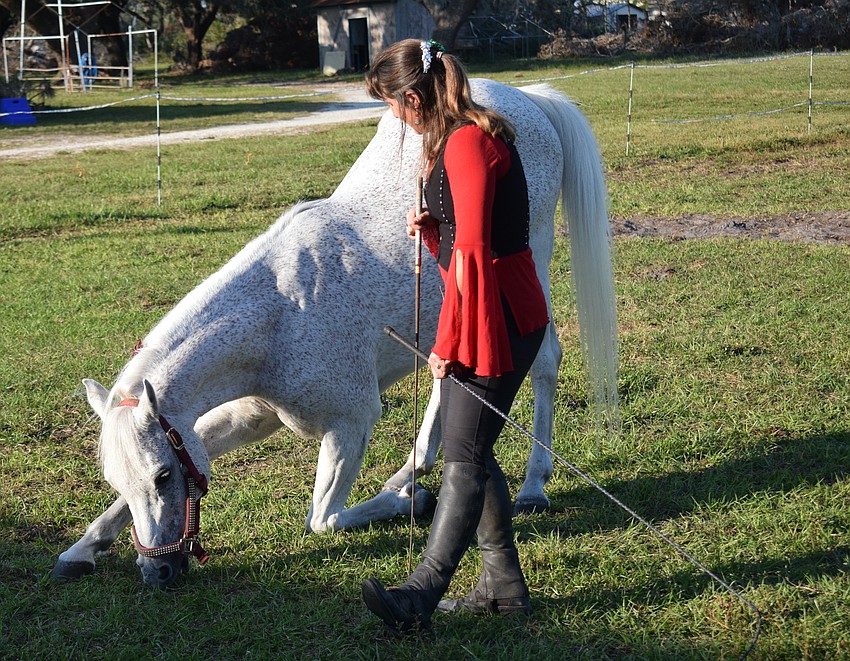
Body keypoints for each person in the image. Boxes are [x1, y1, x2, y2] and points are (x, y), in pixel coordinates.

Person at [361, 38, 550, 633]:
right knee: (475, 449)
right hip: (492, 307)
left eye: (392, 104)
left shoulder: (467, 143)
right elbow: (469, 238)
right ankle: (505, 588)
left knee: (462, 459)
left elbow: (474, 253)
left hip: (500, 319)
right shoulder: (460, 138)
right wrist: (435, 231)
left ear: (413, 98)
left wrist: (445, 343)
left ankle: (421, 594)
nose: (392, 116)